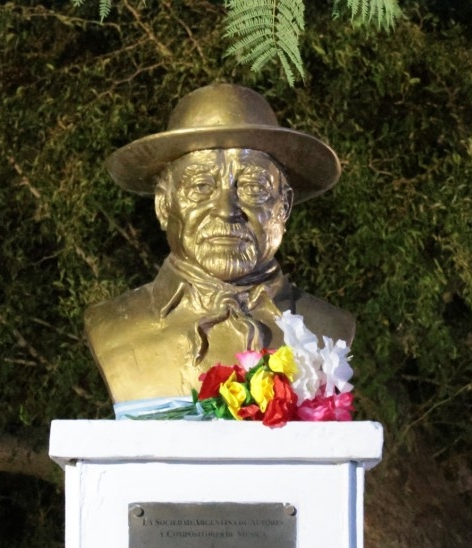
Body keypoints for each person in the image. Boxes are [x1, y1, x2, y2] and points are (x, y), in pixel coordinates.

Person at [85, 84, 355, 413]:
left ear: (283, 206)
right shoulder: (112, 327)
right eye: (201, 186)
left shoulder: (328, 333)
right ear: (163, 205)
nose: (227, 209)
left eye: (253, 187)